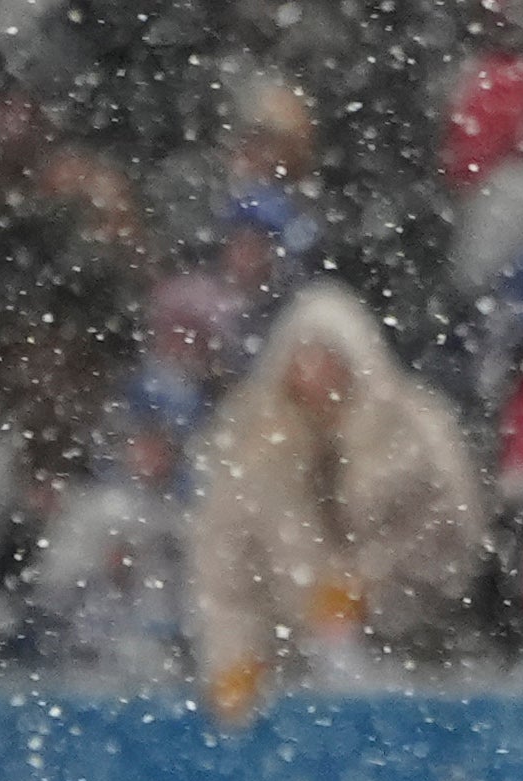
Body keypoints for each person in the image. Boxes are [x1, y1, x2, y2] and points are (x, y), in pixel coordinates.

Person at [186, 280, 485, 725]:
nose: (314, 374)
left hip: (419, 662)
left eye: (327, 359)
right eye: (302, 359)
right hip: (291, 680)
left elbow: (452, 535)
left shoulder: (413, 432)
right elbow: (224, 572)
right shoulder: (251, 444)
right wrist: (236, 658)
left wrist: (367, 588)